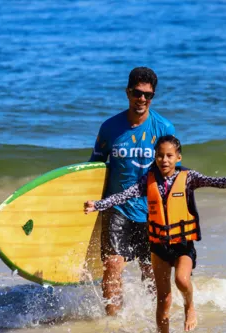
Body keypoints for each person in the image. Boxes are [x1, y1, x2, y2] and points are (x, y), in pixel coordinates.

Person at [84, 135, 226, 332]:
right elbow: (124, 195)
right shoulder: (148, 180)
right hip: (159, 246)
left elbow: (217, 181)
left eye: (169, 156)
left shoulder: (189, 178)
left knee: (181, 280)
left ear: (178, 158)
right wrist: (98, 205)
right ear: (154, 158)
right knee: (163, 302)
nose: (164, 160)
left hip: (182, 245)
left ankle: (190, 306)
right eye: (160, 156)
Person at [88, 67, 176, 316]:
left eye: (148, 95)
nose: (142, 99)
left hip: (152, 211)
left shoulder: (164, 128)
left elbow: (172, 175)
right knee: (112, 266)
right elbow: (93, 168)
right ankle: (113, 322)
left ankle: (154, 319)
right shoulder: (109, 128)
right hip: (118, 209)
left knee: (151, 271)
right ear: (128, 92)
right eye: (137, 93)